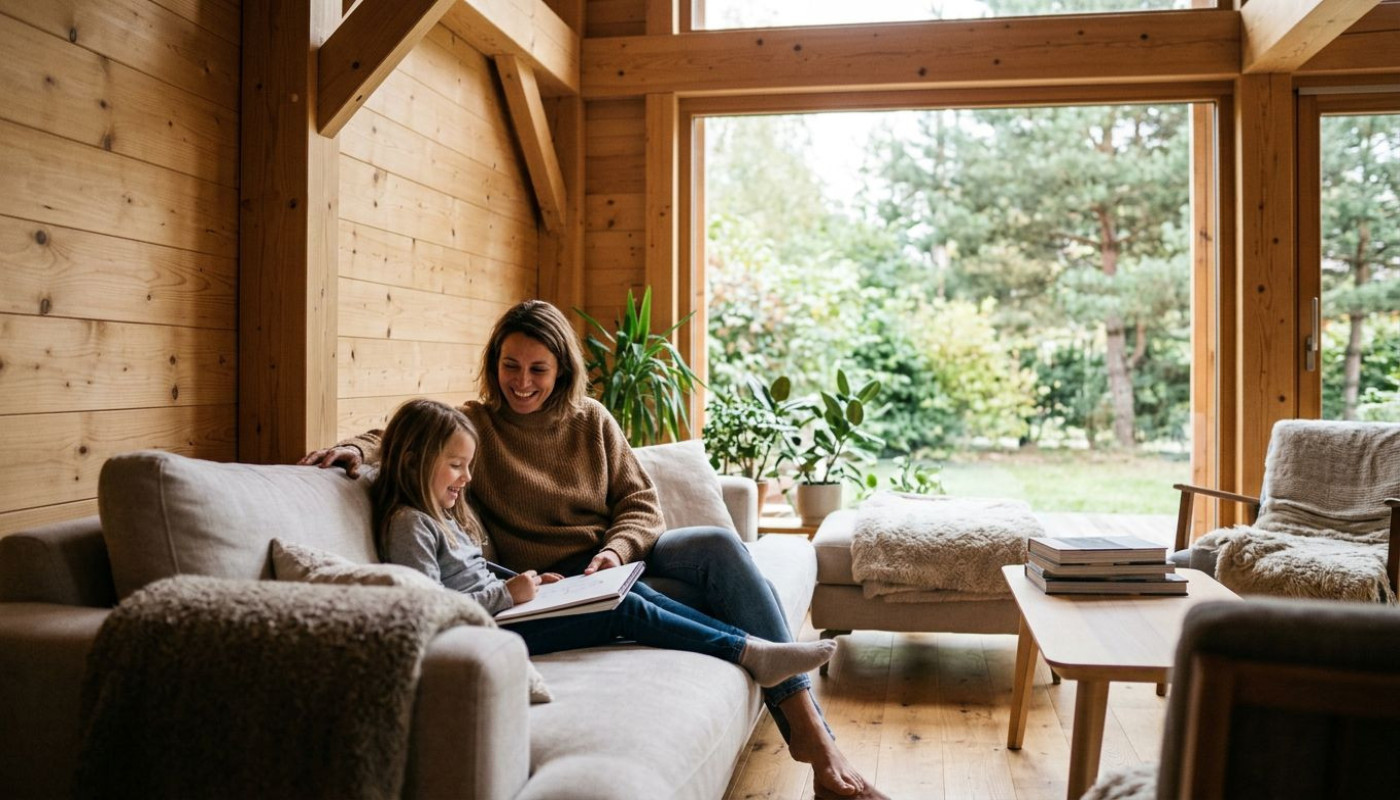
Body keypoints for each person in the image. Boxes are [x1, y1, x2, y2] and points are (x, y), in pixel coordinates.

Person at [302, 300, 887, 800]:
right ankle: (822, 758)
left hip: (619, 560)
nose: (522, 382)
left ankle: (811, 734)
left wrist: (615, 551)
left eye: (538, 368)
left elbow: (641, 504)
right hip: (555, 583)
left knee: (713, 545)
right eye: (510, 366)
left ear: (562, 370)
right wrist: (350, 449)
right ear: (493, 365)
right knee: (679, 604)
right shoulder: (476, 424)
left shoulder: (592, 422)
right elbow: (403, 436)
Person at [372, 397, 837, 688]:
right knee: (622, 609)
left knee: (629, 591)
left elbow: (473, 572)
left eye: (468, 465)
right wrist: (507, 595)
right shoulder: (410, 523)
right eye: (456, 466)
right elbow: (428, 606)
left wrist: (529, 583)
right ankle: (749, 651)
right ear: (413, 460)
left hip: (507, 611)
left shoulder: (442, 515)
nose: (467, 478)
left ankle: (750, 644)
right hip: (487, 631)